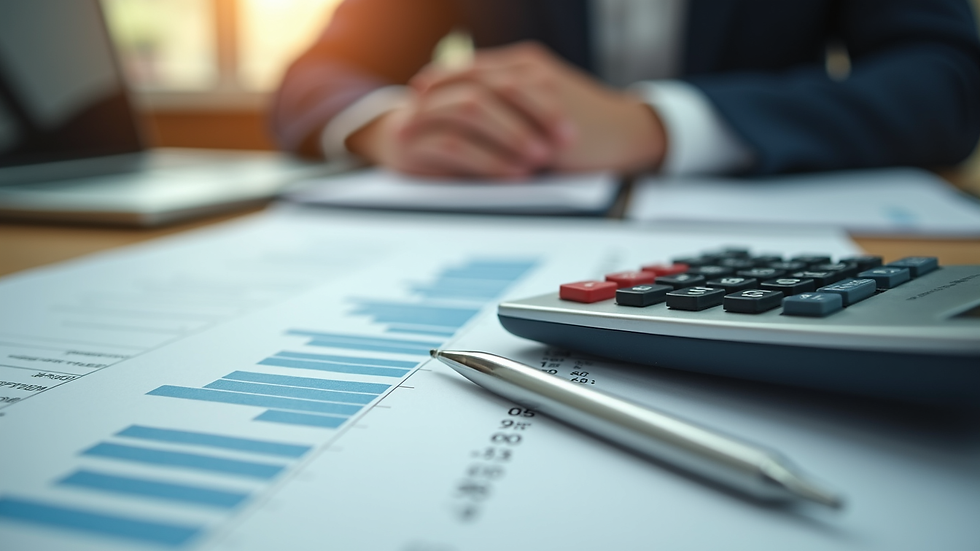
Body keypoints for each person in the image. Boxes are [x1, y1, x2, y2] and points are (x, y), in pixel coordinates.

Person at [271, 0, 980, 179]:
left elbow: (945, 80)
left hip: (764, 229)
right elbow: (318, 74)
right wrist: (393, 124)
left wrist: (658, 125)